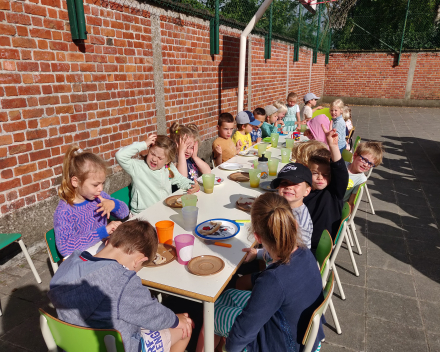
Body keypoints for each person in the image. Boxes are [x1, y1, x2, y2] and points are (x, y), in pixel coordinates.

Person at [196, 193, 325, 352]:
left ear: (257, 237)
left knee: (211, 315)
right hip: (306, 336)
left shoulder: (273, 280)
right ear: (294, 225)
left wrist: (229, 347)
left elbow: (242, 334)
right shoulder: (305, 253)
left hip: (284, 345)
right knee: (228, 295)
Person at [48, 220, 194, 352]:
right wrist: (175, 320)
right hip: (122, 347)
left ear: (107, 242)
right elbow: (152, 314)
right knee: (186, 326)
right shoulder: (123, 281)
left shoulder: (68, 264)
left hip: (78, 344)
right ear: (138, 261)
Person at [53, 146, 129, 257]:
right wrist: (102, 232)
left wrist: (113, 205)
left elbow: (125, 212)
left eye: (102, 183)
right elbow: (65, 248)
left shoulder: (98, 197)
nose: (101, 188)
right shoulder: (64, 211)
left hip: (104, 251)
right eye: (95, 185)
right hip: (84, 260)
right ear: (76, 181)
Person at [115, 135, 199, 215]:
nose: (154, 159)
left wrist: (192, 186)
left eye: (160, 158)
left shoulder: (168, 168)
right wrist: (143, 144)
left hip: (164, 210)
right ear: (149, 149)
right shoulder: (137, 167)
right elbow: (120, 156)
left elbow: (180, 180)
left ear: (167, 160)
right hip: (142, 215)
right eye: (152, 154)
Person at [304, 122, 349, 253]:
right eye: (315, 173)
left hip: (313, 248)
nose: (320, 178)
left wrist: (333, 145)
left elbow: (340, 172)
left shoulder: (334, 192)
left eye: (326, 175)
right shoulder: (305, 191)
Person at [344, 141, 383, 207]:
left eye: (370, 164)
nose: (366, 165)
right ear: (355, 155)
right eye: (364, 160)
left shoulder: (361, 179)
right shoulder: (343, 164)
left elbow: (351, 202)